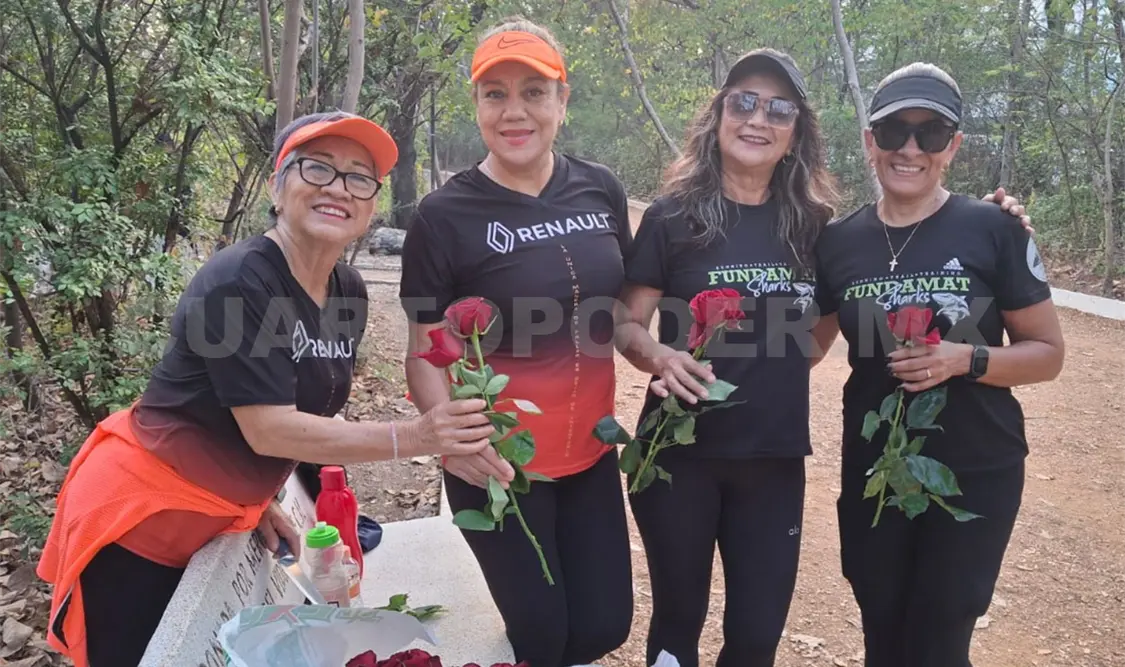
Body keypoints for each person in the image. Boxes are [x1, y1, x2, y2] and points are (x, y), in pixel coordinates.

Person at [613, 50, 1034, 667]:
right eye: (744, 101)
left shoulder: (814, 228)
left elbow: (814, 340)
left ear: (796, 132)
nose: (759, 117)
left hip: (774, 459)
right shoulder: (672, 216)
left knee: (756, 638)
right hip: (678, 455)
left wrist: (1002, 224)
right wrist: (659, 358)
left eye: (779, 107)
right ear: (718, 116)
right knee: (678, 621)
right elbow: (625, 321)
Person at [37, 111, 496, 667]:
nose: (337, 188)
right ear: (278, 186)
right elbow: (268, 428)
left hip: (220, 516)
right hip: (148, 520)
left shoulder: (346, 290)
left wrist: (254, 502)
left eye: (358, 177)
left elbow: (292, 410)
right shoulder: (239, 281)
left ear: (373, 204)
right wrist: (419, 433)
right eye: (317, 168)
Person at [398, 17, 635, 667]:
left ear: (562, 99)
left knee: (605, 626)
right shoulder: (442, 218)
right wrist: (450, 440)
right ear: (475, 105)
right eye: (494, 93)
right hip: (497, 465)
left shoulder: (600, 189)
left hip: (588, 453)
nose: (514, 110)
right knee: (544, 636)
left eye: (533, 90)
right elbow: (423, 353)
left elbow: (622, 313)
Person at [814, 63, 1065, 667]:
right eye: (894, 130)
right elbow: (802, 344)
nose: (910, 148)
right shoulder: (838, 241)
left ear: (952, 146)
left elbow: (1048, 355)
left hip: (975, 467)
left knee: (940, 637)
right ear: (869, 140)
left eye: (930, 134)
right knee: (882, 628)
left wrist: (966, 358)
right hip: (876, 469)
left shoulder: (993, 229)